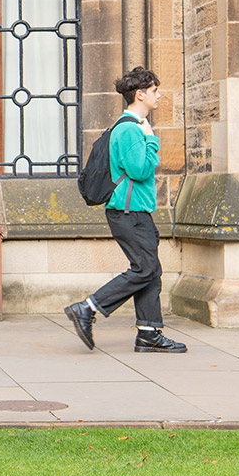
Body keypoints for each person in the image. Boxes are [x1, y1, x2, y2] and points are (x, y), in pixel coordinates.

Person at [64, 66, 187, 354]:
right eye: (155, 91)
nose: (159, 95)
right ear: (140, 94)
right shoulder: (131, 129)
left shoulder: (129, 127)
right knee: (145, 268)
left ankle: (148, 333)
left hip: (133, 212)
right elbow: (140, 170)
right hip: (128, 212)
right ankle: (88, 307)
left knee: (150, 270)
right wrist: (152, 139)